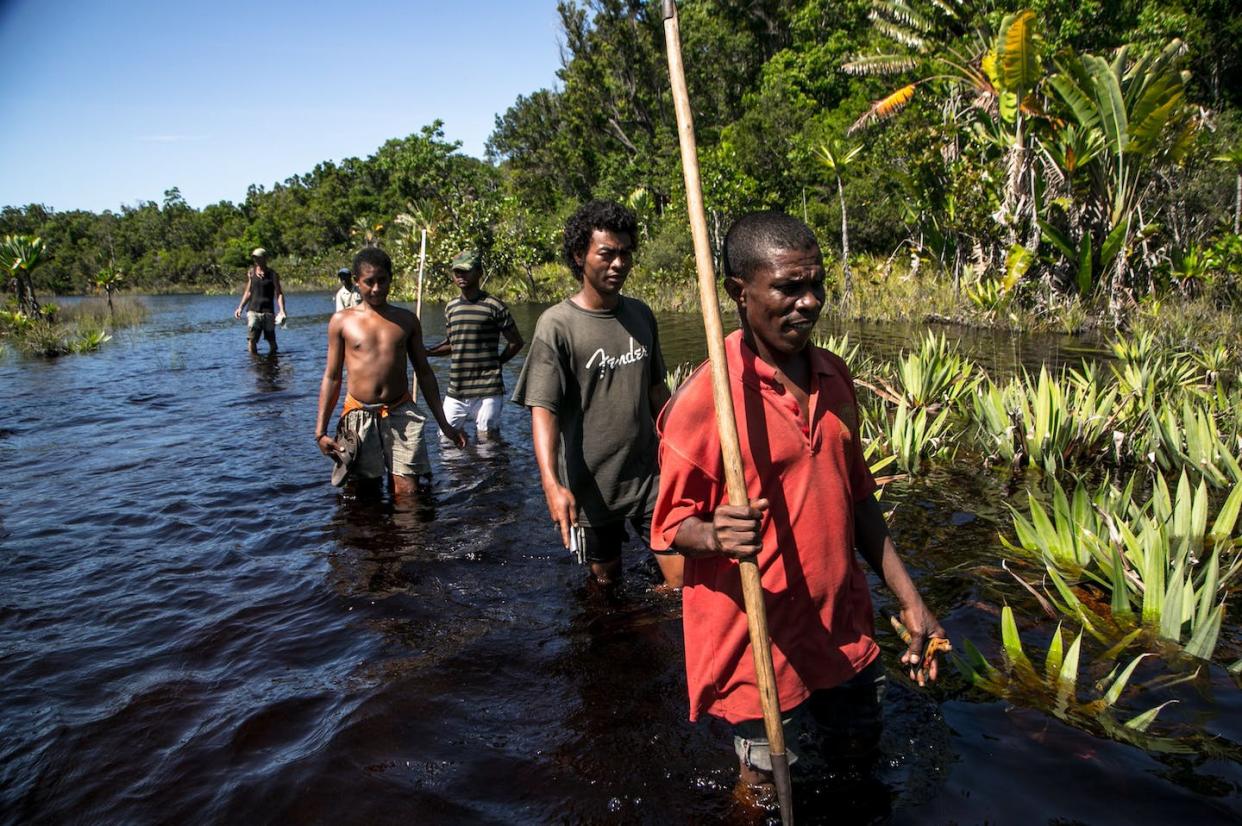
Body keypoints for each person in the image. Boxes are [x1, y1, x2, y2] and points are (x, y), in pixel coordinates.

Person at [649, 212, 946, 796]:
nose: (808, 302)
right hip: (760, 643)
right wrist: (713, 534)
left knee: (859, 760)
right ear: (740, 292)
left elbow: (859, 499)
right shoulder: (708, 401)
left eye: (816, 285)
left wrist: (912, 602)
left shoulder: (834, 376)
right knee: (762, 789)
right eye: (789, 287)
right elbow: (668, 527)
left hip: (844, 628)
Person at [512, 200, 683, 590]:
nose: (618, 264)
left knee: (681, 583)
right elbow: (544, 411)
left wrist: (685, 449)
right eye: (607, 254)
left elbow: (659, 392)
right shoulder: (557, 325)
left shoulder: (641, 315)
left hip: (648, 478)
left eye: (626, 254)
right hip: (591, 488)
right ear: (579, 255)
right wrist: (552, 486)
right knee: (606, 587)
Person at [314, 247, 466, 497]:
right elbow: (332, 377)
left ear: (390, 279)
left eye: (381, 280)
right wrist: (320, 431)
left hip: (401, 412)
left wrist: (445, 424)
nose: (376, 288)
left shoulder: (406, 320)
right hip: (359, 414)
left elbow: (425, 374)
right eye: (368, 282)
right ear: (356, 282)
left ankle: (410, 536)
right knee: (364, 492)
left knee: (408, 492)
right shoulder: (342, 321)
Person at [426, 249, 524, 441]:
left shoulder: (494, 306)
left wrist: (497, 362)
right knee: (445, 439)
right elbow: (453, 344)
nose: (460, 276)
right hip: (457, 389)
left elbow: (516, 342)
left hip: (488, 390)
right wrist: (426, 352)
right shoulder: (451, 307)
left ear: (479, 273)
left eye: (465, 271)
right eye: (457, 272)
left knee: (487, 444)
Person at [233, 247, 286, 353]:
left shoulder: (272, 274)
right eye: (255, 258)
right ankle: (253, 362)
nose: (256, 260)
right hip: (253, 311)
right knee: (251, 339)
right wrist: (240, 307)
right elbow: (248, 292)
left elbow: (279, 293)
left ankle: (272, 364)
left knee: (272, 341)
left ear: (265, 258)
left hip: (268, 312)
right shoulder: (252, 273)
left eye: (258, 258)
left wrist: (282, 310)